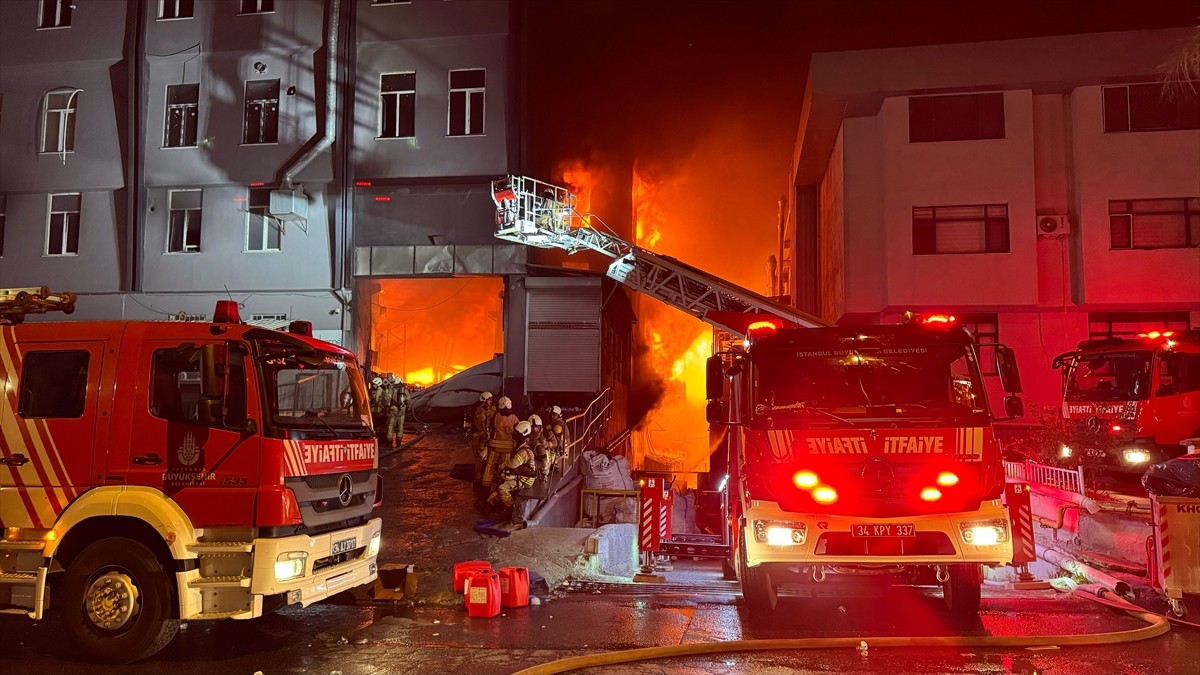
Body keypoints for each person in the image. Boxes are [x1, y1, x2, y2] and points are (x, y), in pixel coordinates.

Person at [476, 420, 538, 522]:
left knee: (502, 488)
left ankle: (511, 509)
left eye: (516, 435)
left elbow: (512, 464)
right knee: (501, 481)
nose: (513, 438)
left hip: (525, 479)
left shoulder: (524, 452)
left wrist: (501, 470)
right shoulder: (521, 449)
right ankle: (489, 503)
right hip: (520, 476)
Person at [483, 396, 518, 487]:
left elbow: (490, 428)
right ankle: (502, 484)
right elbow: (518, 431)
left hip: (495, 446)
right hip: (507, 448)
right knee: (505, 466)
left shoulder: (496, 415)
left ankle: (485, 485)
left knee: (490, 464)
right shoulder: (514, 417)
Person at [471, 392, 496, 495]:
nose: (491, 401)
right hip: (480, 441)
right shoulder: (480, 412)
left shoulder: (489, 410)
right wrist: (485, 437)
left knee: (485, 464)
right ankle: (477, 487)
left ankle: (482, 486)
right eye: (489, 399)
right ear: (484, 400)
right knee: (479, 465)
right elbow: (481, 427)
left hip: (485, 440)